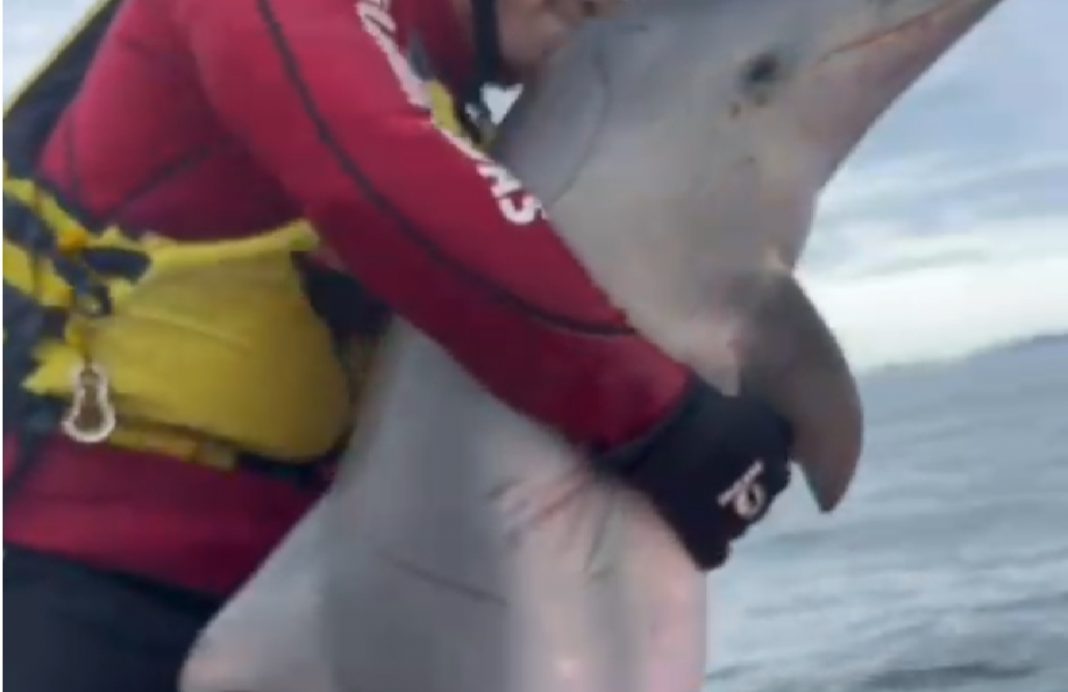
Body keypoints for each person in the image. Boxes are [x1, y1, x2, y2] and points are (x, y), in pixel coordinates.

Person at [2, 0, 794, 689]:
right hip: (85, 587)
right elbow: (382, 190)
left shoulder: (446, 110)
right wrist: (665, 423)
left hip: (307, 606)